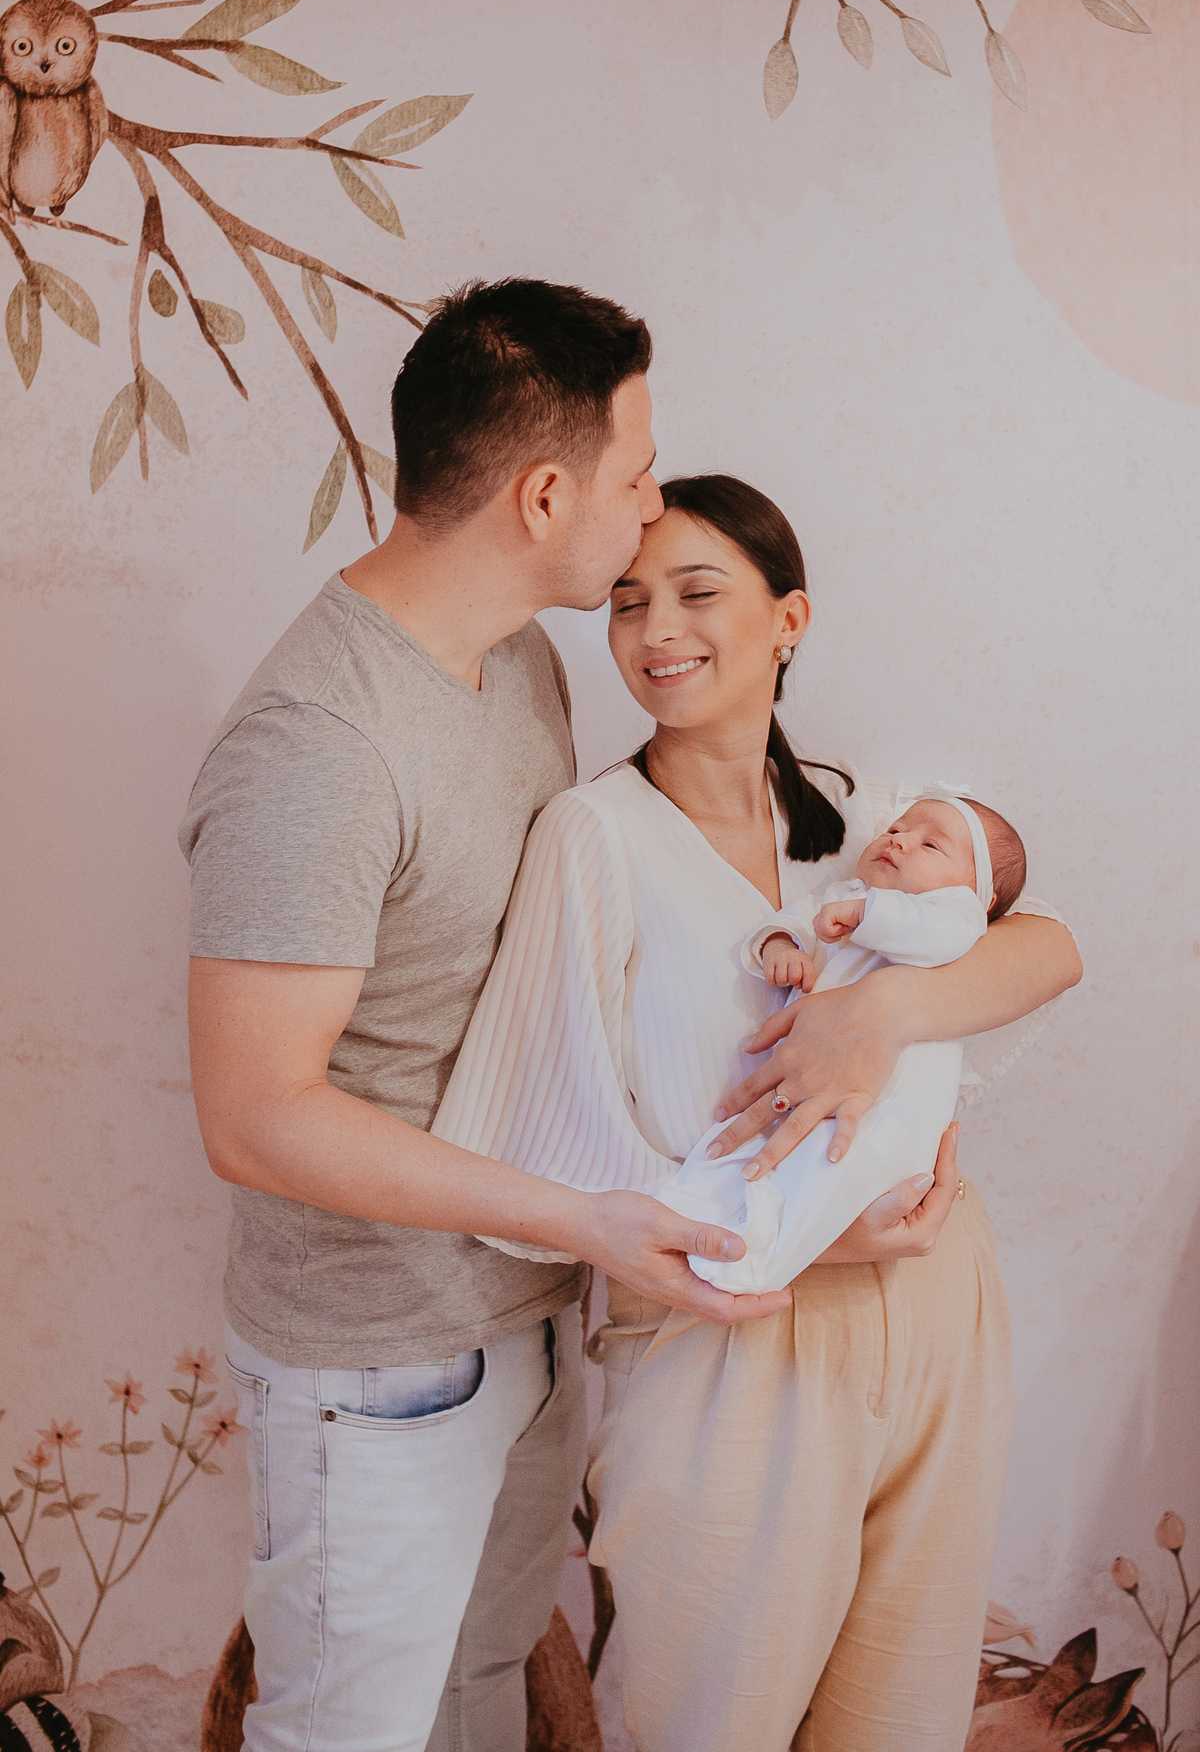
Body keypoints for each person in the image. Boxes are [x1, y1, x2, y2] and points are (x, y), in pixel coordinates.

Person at [180, 282, 805, 1752]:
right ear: (543, 495)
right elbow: (255, 1116)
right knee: (348, 1734)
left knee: (481, 1706)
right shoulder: (318, 746)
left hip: (528, 1318)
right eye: (635, 473)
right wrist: (581, 1218)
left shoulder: (522, 662)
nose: (647, 507)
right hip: (377, 1370)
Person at [432, 473, 1081, 1751]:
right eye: (628, 602)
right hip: (735, 1335)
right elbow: (526, 1146)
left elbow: (1049, 945)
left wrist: (879, 1014)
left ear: (790, 618)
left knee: (898, 1722)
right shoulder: (594, 836)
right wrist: (805, 1237)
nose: (656, 629)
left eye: (697, 591)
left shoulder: (869, 823)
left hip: (940, 1306)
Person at [654, 790, 1029, 1293]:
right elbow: (800, 917)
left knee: (836, 1166)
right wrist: (782, 944)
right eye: (896, 828)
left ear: (981, 895)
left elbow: (941, 935)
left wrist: (867, 912)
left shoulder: (954, 912)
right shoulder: (848, 893)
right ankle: (706, 1211)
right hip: (814, 1076)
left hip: (891, 1094)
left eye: (930, 845)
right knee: (756, 1150)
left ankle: (761, 1254)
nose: (899, 840)